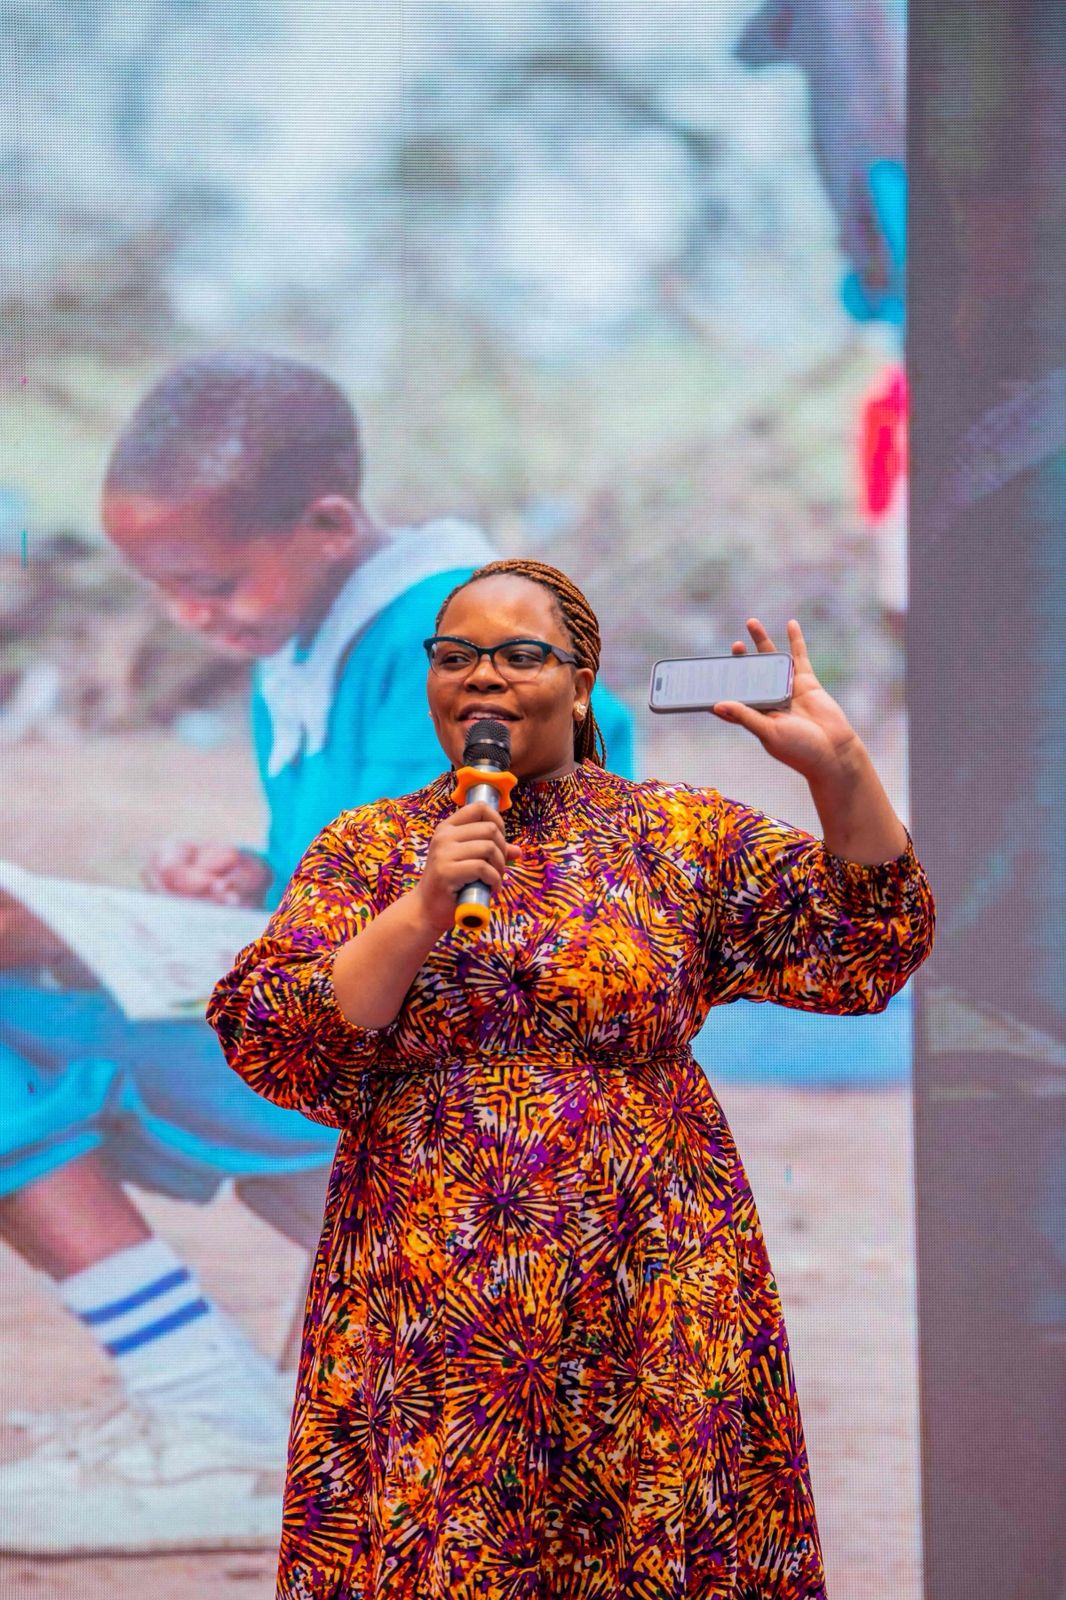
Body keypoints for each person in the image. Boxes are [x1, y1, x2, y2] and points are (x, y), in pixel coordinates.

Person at [0, 353, 638, 1555]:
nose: (193, 616)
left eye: (210, 582)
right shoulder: (310, 638)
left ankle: (212, 1412)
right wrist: (253, 871)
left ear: (330, 521)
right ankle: (268, 1412)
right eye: (165, 591)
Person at [208, 557, 935, 1598]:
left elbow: (867, 944)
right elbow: (278, 1028)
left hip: (653, 1284)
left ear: (581, 681)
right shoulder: (372, 846)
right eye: (456, 656)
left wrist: (842, 768)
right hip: (433, 1296)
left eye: (517, 655)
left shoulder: (675, 835)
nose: (483, 680)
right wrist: (420, 910)